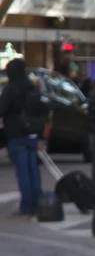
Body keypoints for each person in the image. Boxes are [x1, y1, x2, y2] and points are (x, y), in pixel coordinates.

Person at [0, 59, 49, 217]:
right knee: (33, 170)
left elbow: (2, 109)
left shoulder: (11, 89)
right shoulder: (31, 87)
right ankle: (38, 202)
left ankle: (27, 205)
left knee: (23, 172)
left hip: (16, 134)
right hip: (32, 133)